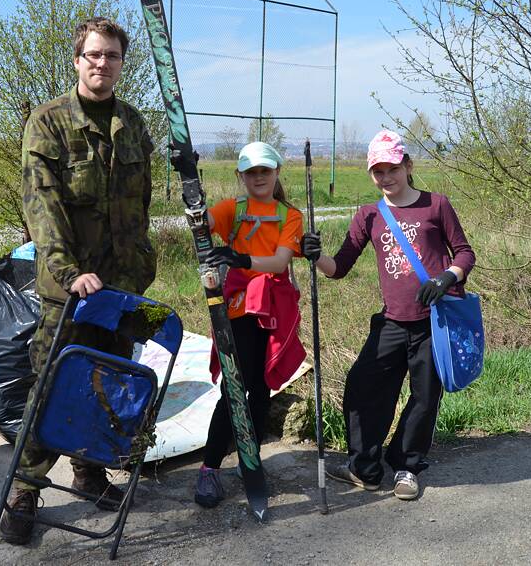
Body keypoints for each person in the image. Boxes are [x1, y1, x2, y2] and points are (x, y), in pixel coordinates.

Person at [0, 17, 157, 545]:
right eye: (93, 55)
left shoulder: (133, 125)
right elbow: (41, 207)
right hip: (68, 290)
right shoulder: (48, 123)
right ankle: (25, 490)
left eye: (111, 56)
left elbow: (142, 207)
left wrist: (140, 272)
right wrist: (69, 272)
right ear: (77, 60)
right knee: (51, 387)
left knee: (107, 386)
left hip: (121, 288)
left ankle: (89, 472)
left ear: (120, 63)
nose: (102, 64)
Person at [301, 129, 475, 500]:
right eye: (378, 171)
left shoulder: (436, 204)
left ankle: (406, 467)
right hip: (392, 322)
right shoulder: (369, 215)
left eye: (392, 168)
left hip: (434, 322)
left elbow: (464, 253)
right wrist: (314, 255)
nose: (386, 177)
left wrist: (446, 278)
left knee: (425, 397)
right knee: (363, 388)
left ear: (407, 165)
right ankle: (364, 466)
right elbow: (339, 267)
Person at [193, 141, 306, 508]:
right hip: (240, 310)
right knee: (233, 386)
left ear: (276, 172)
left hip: (274, 308)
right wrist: (192, 187)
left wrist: (239, 256)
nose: (259, 177)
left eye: (265, 171)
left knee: (260, 388)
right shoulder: (233, 209)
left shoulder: (290, 216)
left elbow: (278, 263)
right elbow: (201, 223)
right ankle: (209, 469)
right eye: (251, 172)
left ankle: (249, 458)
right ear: (241, 175)